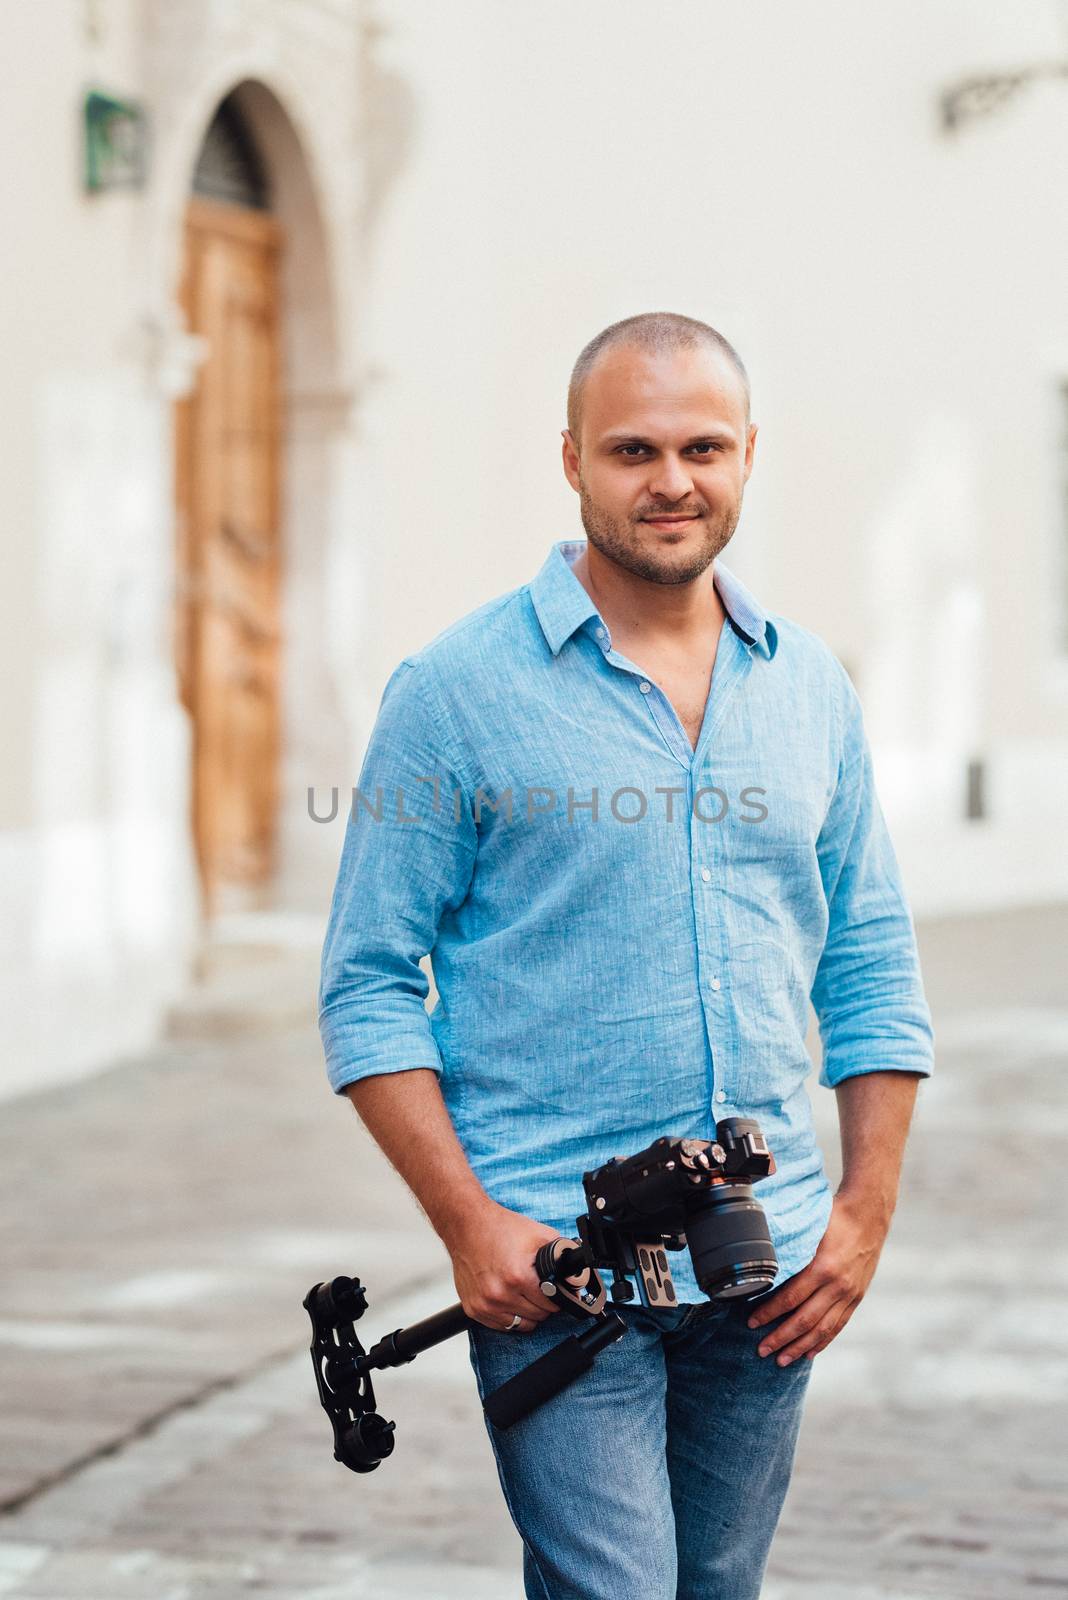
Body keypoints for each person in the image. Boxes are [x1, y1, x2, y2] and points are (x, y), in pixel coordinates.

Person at [318, 311, 934, 1599]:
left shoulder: (812, 688)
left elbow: (870, 958)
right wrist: (468, 1223)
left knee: (717, 1590)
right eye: (632, 449)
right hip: (559, 1274)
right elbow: (369, 985)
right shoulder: (454, 694)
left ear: (750, 455)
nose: (671, 480)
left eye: (703, 446)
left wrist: (865, 1219)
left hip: (767, 1270)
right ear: (571, 460)